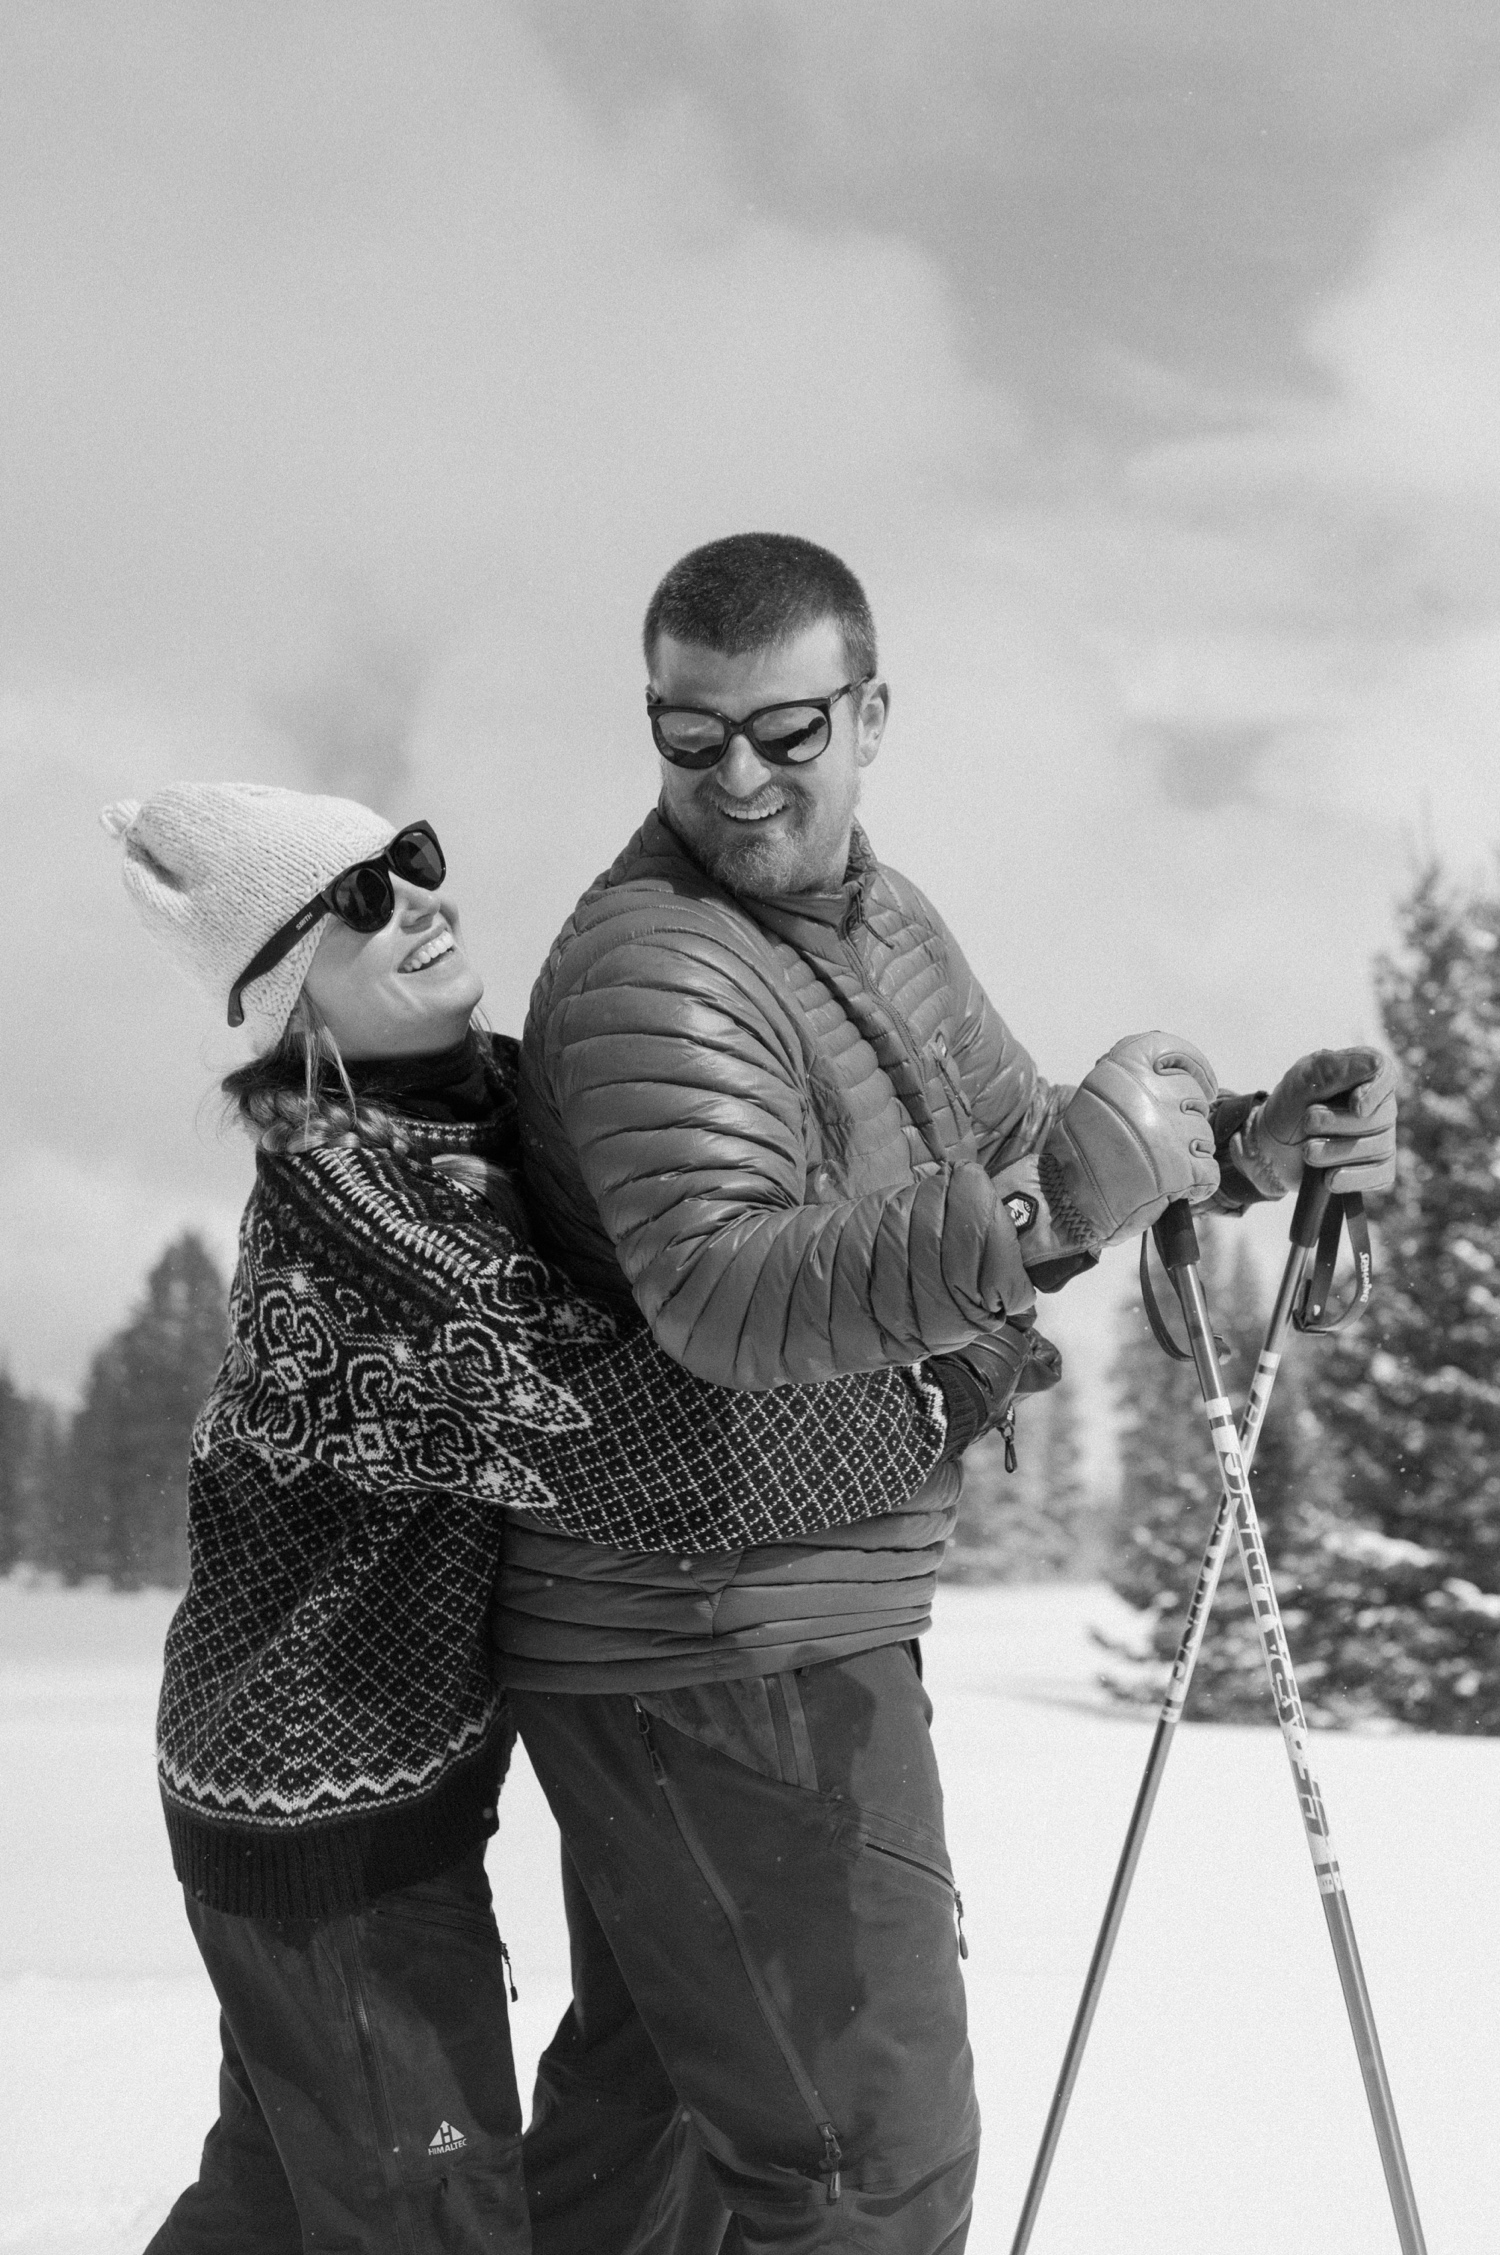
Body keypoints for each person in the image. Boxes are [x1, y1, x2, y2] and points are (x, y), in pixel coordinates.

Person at [511, 532, 1400, 2251]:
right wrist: (1057, 1194)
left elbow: (1007, 1152)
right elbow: (723, 1285)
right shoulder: (660, 969)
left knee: (664, 2146)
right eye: (690, 739)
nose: (741, 777)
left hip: (761, 1617)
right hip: (716, 1635)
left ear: (870, 713)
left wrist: (1231, 1156)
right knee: (868, 2171)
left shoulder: (879, 921)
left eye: (784, 729)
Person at [104, 780, 1027, 2255]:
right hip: (320, 1814)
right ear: (285, 1000)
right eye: (355, 901)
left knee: (289, 2190)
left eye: (409, 861)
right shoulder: (367, 1217)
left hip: (409, 1767)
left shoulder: (495, 1099)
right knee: (429, 2204)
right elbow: (643, 1456)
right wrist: (961, 1367)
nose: (417, 902)